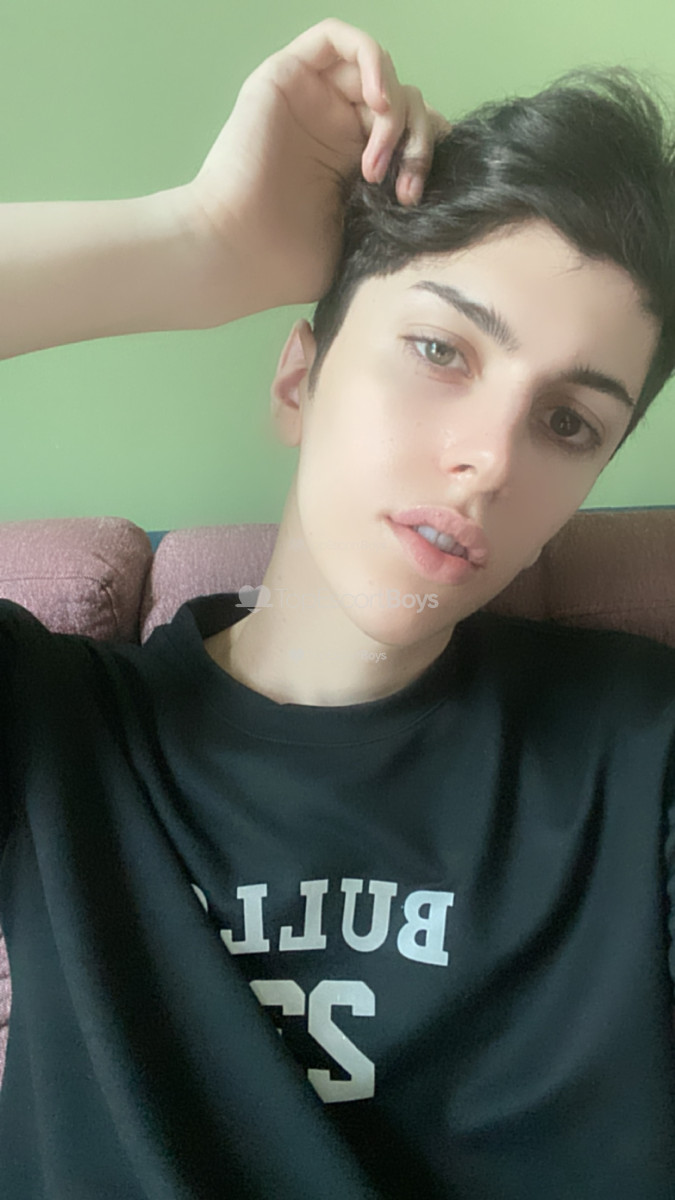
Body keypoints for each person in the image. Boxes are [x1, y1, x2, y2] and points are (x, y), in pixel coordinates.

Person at [1, 15, 675, 1199]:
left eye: (567, 422)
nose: (490, 461)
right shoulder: (56, 733)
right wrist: (193, 245)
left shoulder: (641, 747)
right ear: (299, 379)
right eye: (441, 350)